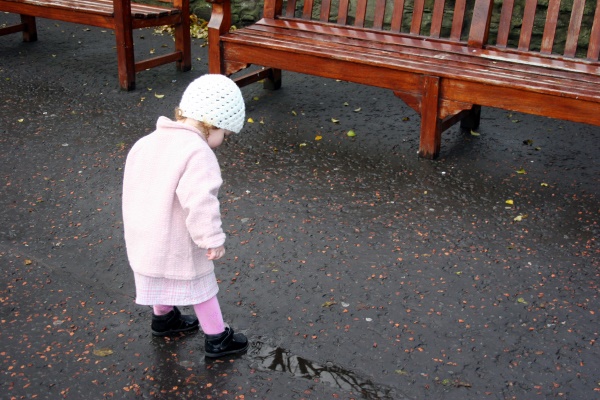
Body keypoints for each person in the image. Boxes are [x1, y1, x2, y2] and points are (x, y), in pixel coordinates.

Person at [122, 74, 248, 358]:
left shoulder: (147, 142)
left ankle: (165, 319)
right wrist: (212, 239)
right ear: (212, 124)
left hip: (146, 234)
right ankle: (218, 338)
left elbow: (134, 187)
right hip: (178, 238)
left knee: (159, 279)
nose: (222, 141)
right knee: (201, 287)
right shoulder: (197, 153)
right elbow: (200, 202)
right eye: (225, 135)